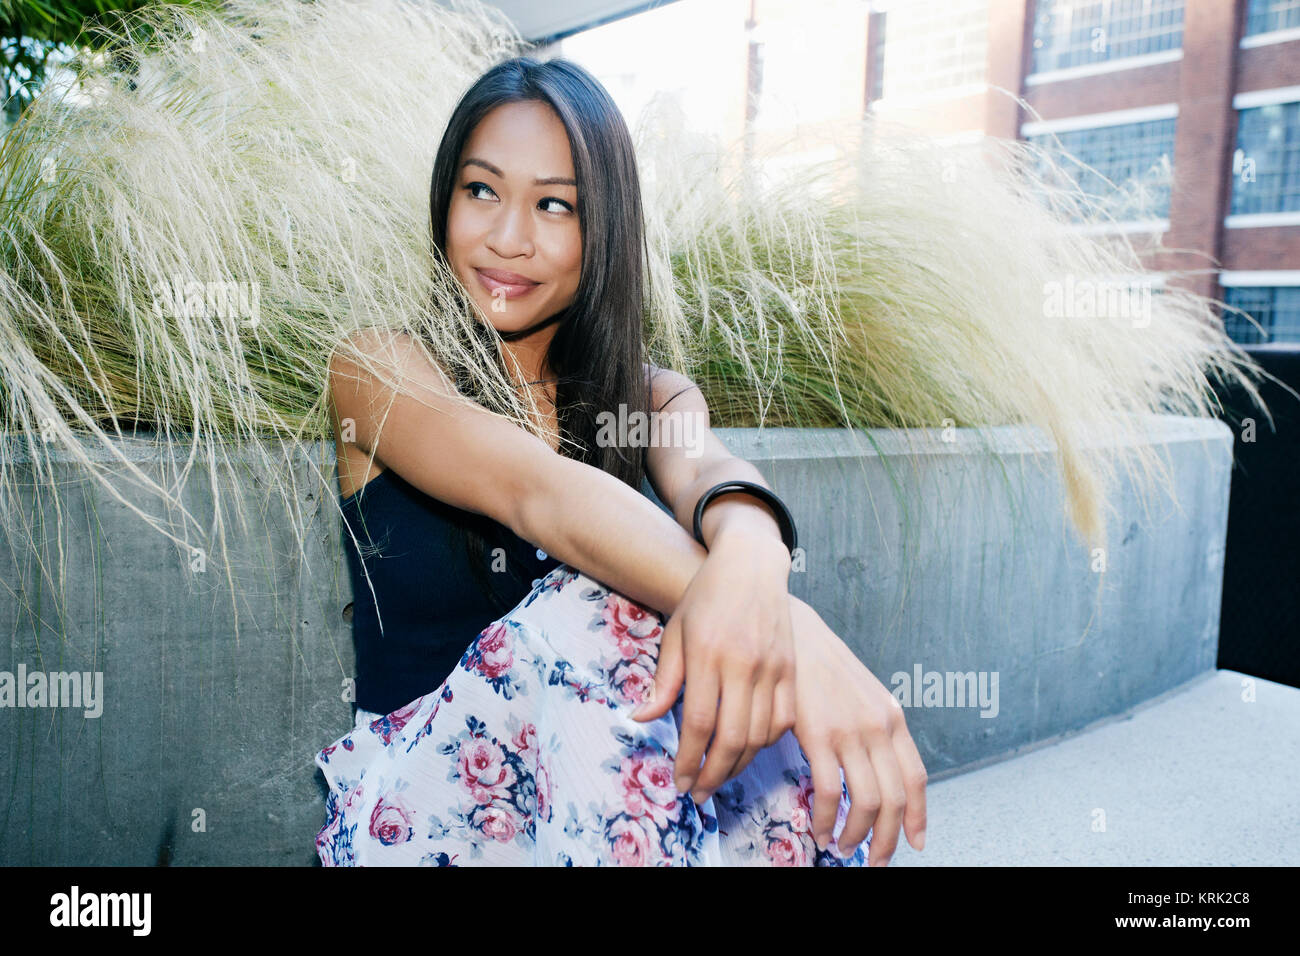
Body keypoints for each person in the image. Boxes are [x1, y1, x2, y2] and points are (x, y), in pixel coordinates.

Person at [314, 55, 927, 866]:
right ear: (446, 200)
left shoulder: (651, 395)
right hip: (422, 804)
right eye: (481, 191)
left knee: (710, 637)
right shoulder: (377, 368)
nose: (507, 237)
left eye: (554, 205)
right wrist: (790, 628)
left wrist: (755, 566)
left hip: (604, 807)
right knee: (595, 599)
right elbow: (537, 492)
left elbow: (710, 473)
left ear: (603, 227)